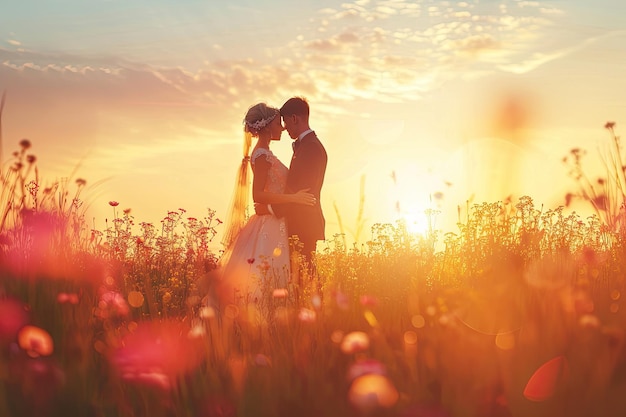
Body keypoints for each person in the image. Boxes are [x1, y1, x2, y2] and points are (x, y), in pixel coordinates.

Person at [214, 103, 316, 306]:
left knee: (275, 276)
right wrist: (293, 198)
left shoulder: (265, 153)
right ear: (268, 126)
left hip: (276, 220)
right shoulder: (261, 155)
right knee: (266, 276)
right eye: (279, 123)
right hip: (269, 223)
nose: (283, 128)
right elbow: (258, 195)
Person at [257, 97, 327, 268]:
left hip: (304, 224)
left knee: (304, 278)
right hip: (298, 223)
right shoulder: (306, 145)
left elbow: (302, 193)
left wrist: (269, 208)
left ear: (294, 118)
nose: (284, 127)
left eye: (285, 121)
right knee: (299, 278)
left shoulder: (311, 148)